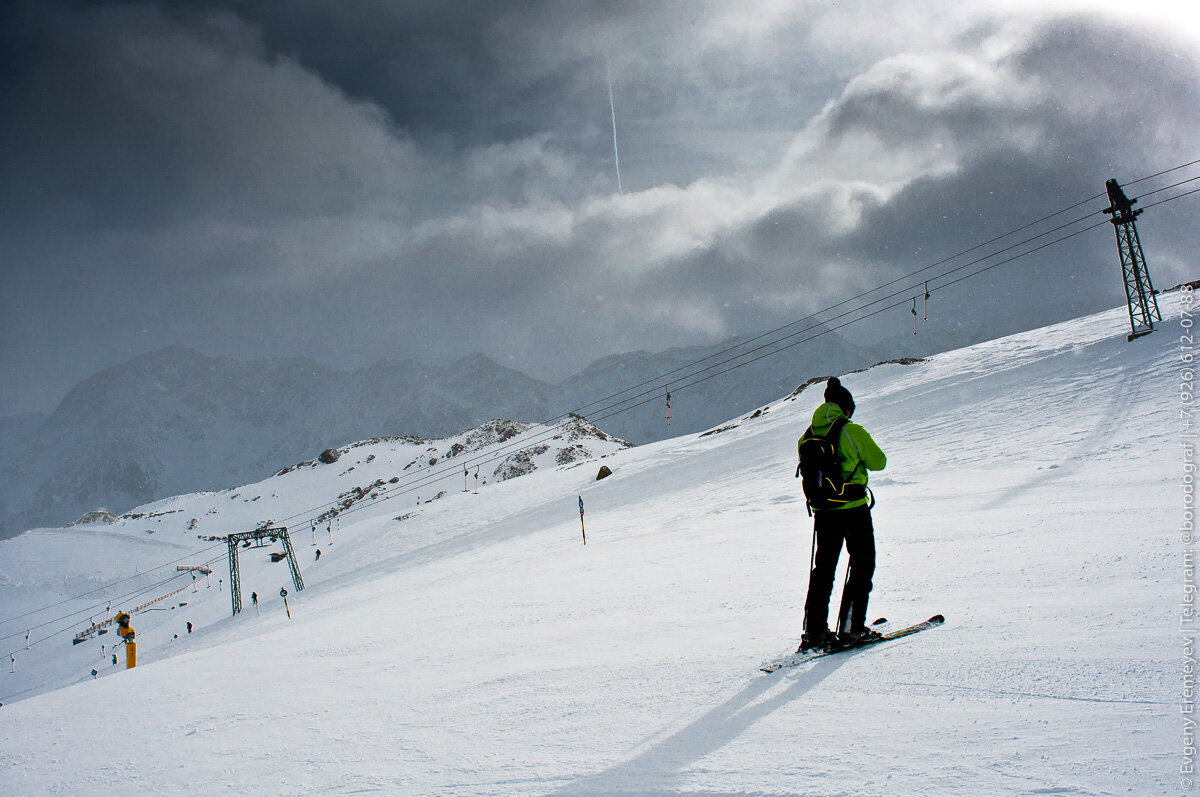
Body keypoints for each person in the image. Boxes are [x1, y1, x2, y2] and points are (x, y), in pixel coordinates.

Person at [800, 377, 887, 651]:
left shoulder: (808, 435)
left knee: (823, 571)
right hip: (853, 510)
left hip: (823, 512)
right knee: (862, 565)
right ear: (846, 407)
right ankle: (852, 628)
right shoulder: (852, 431)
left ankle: (814, 632)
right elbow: (879, 462)